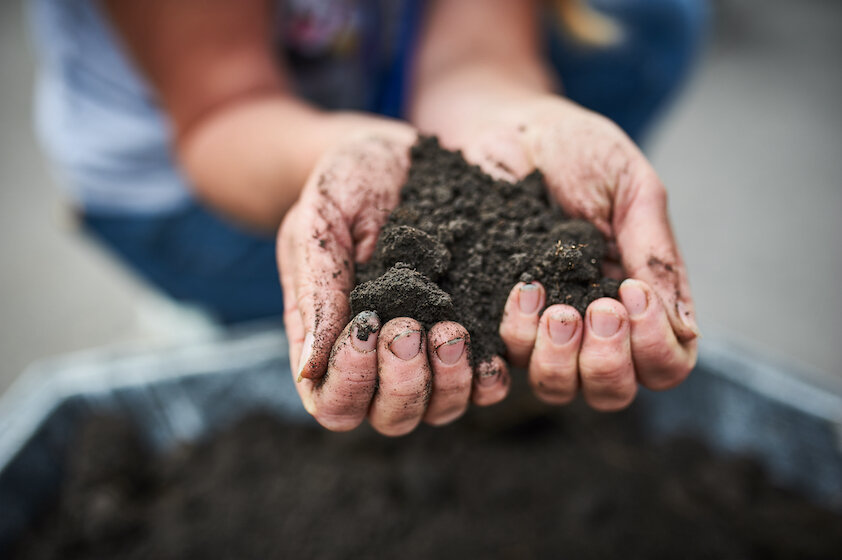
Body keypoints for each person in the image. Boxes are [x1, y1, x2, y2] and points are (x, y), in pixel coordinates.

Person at [29, 0, 706, 435]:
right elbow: (223, 111)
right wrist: (346, 155)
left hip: (381, 87)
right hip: (195, 176)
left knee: (649, 16)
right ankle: (218, 305)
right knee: (335, 335)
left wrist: (513, 118)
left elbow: (475, 58)